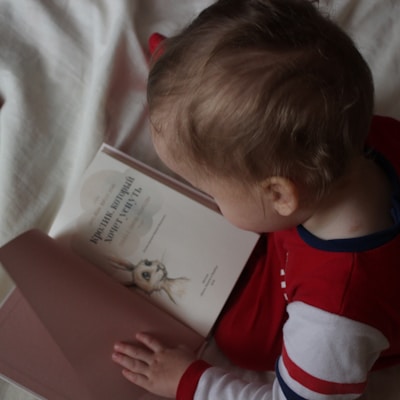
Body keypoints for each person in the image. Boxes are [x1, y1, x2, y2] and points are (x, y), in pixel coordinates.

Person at [111, 0, 400, 398]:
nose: (208, 196)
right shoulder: (348, 131)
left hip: (316, 284)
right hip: (304, 237)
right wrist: (195, 82)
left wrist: (191, 382)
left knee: (239, 336)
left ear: (280, 194)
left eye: (211, 189)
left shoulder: (334, 319)